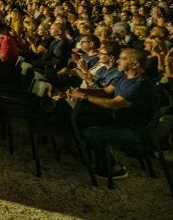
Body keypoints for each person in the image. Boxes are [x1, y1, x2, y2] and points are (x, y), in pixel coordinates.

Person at [67, 48, 159, 179]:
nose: (118, 61)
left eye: (123, 59)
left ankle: (114, 168)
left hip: (135, 129)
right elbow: (106, 91)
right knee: (82, 119)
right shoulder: (125, 76)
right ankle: (95, 157)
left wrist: (84, 97)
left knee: (91, 133)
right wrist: (82, 91)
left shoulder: (140, 84)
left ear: (135, 64)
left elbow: (113, 104)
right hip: (120, 120)